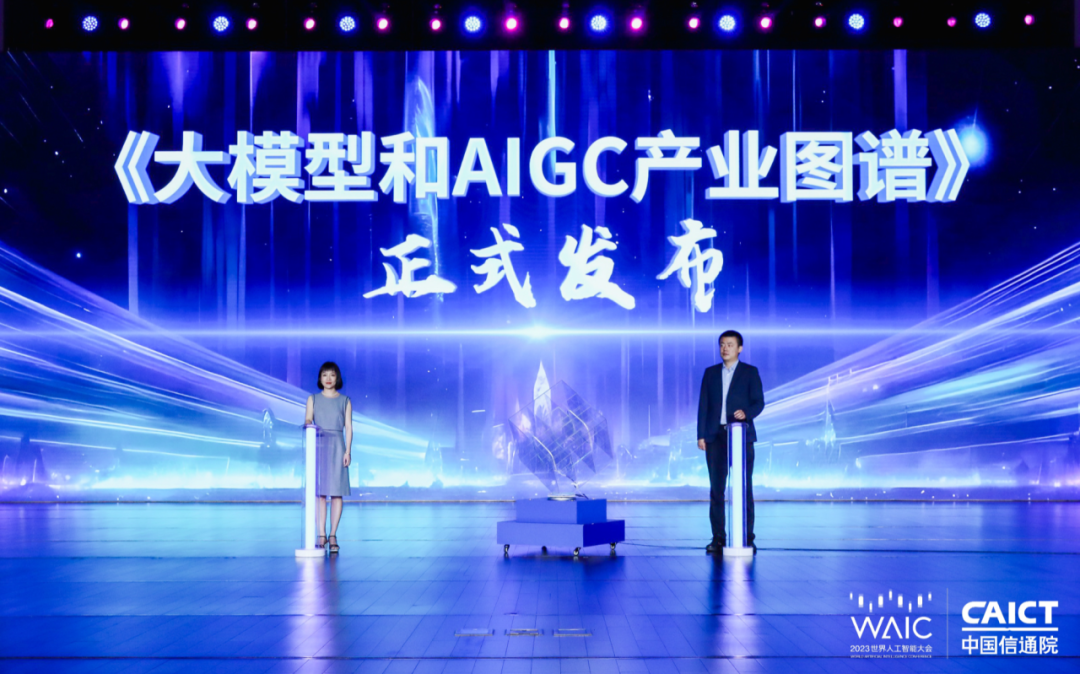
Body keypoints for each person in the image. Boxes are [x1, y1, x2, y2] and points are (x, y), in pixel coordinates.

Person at [697, 330, 765, 555]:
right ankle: (718, 539)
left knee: (744, 489)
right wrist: (701, 435)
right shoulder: (710, 373)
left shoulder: (750, 372)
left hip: (740, 436)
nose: (725, 348)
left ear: (740, 348)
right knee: (717, 490)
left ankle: (747, 538)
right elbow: (703, 406)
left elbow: (759, 402)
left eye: (730, 344)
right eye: (722, 344)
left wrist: (746, 413)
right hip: (715, 437)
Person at [305, 361, 353, 554]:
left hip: (338, 446)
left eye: (332, 375)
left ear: (337, 377)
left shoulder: (345, 400)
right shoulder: (313, 399)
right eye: (324, 375)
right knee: (319, 493)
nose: (328, 378)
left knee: (337, 492)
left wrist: (347, 451)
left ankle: (333, 535)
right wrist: (308, 424)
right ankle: (321, 534)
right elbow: (308, 418)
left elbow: (348, 427)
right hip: (318, 444)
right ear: (320, 378)